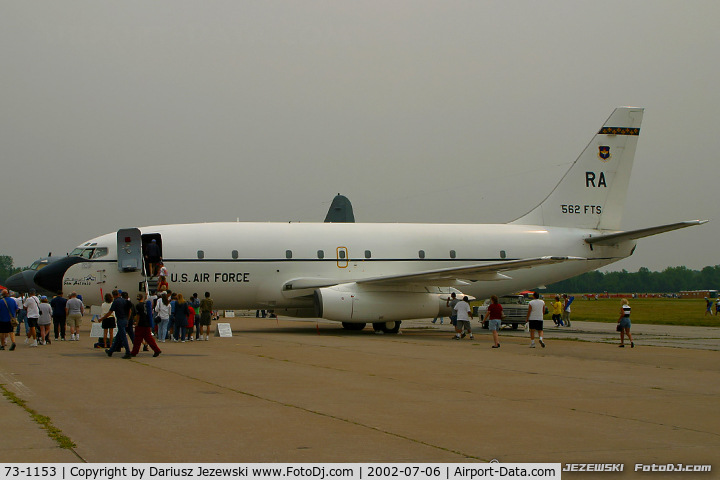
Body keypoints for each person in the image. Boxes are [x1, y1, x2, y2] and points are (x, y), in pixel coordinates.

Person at [98, 289, 132, 359]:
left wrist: (102, 318)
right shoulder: (124, 300)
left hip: (120, 320)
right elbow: (129, 310)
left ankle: (128, 352)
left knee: (123, 337)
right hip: (125, 319)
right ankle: (111, 351)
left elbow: (110, 312)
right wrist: (127, 319)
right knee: (118, 338)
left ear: (113, 295)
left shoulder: (116, 302)